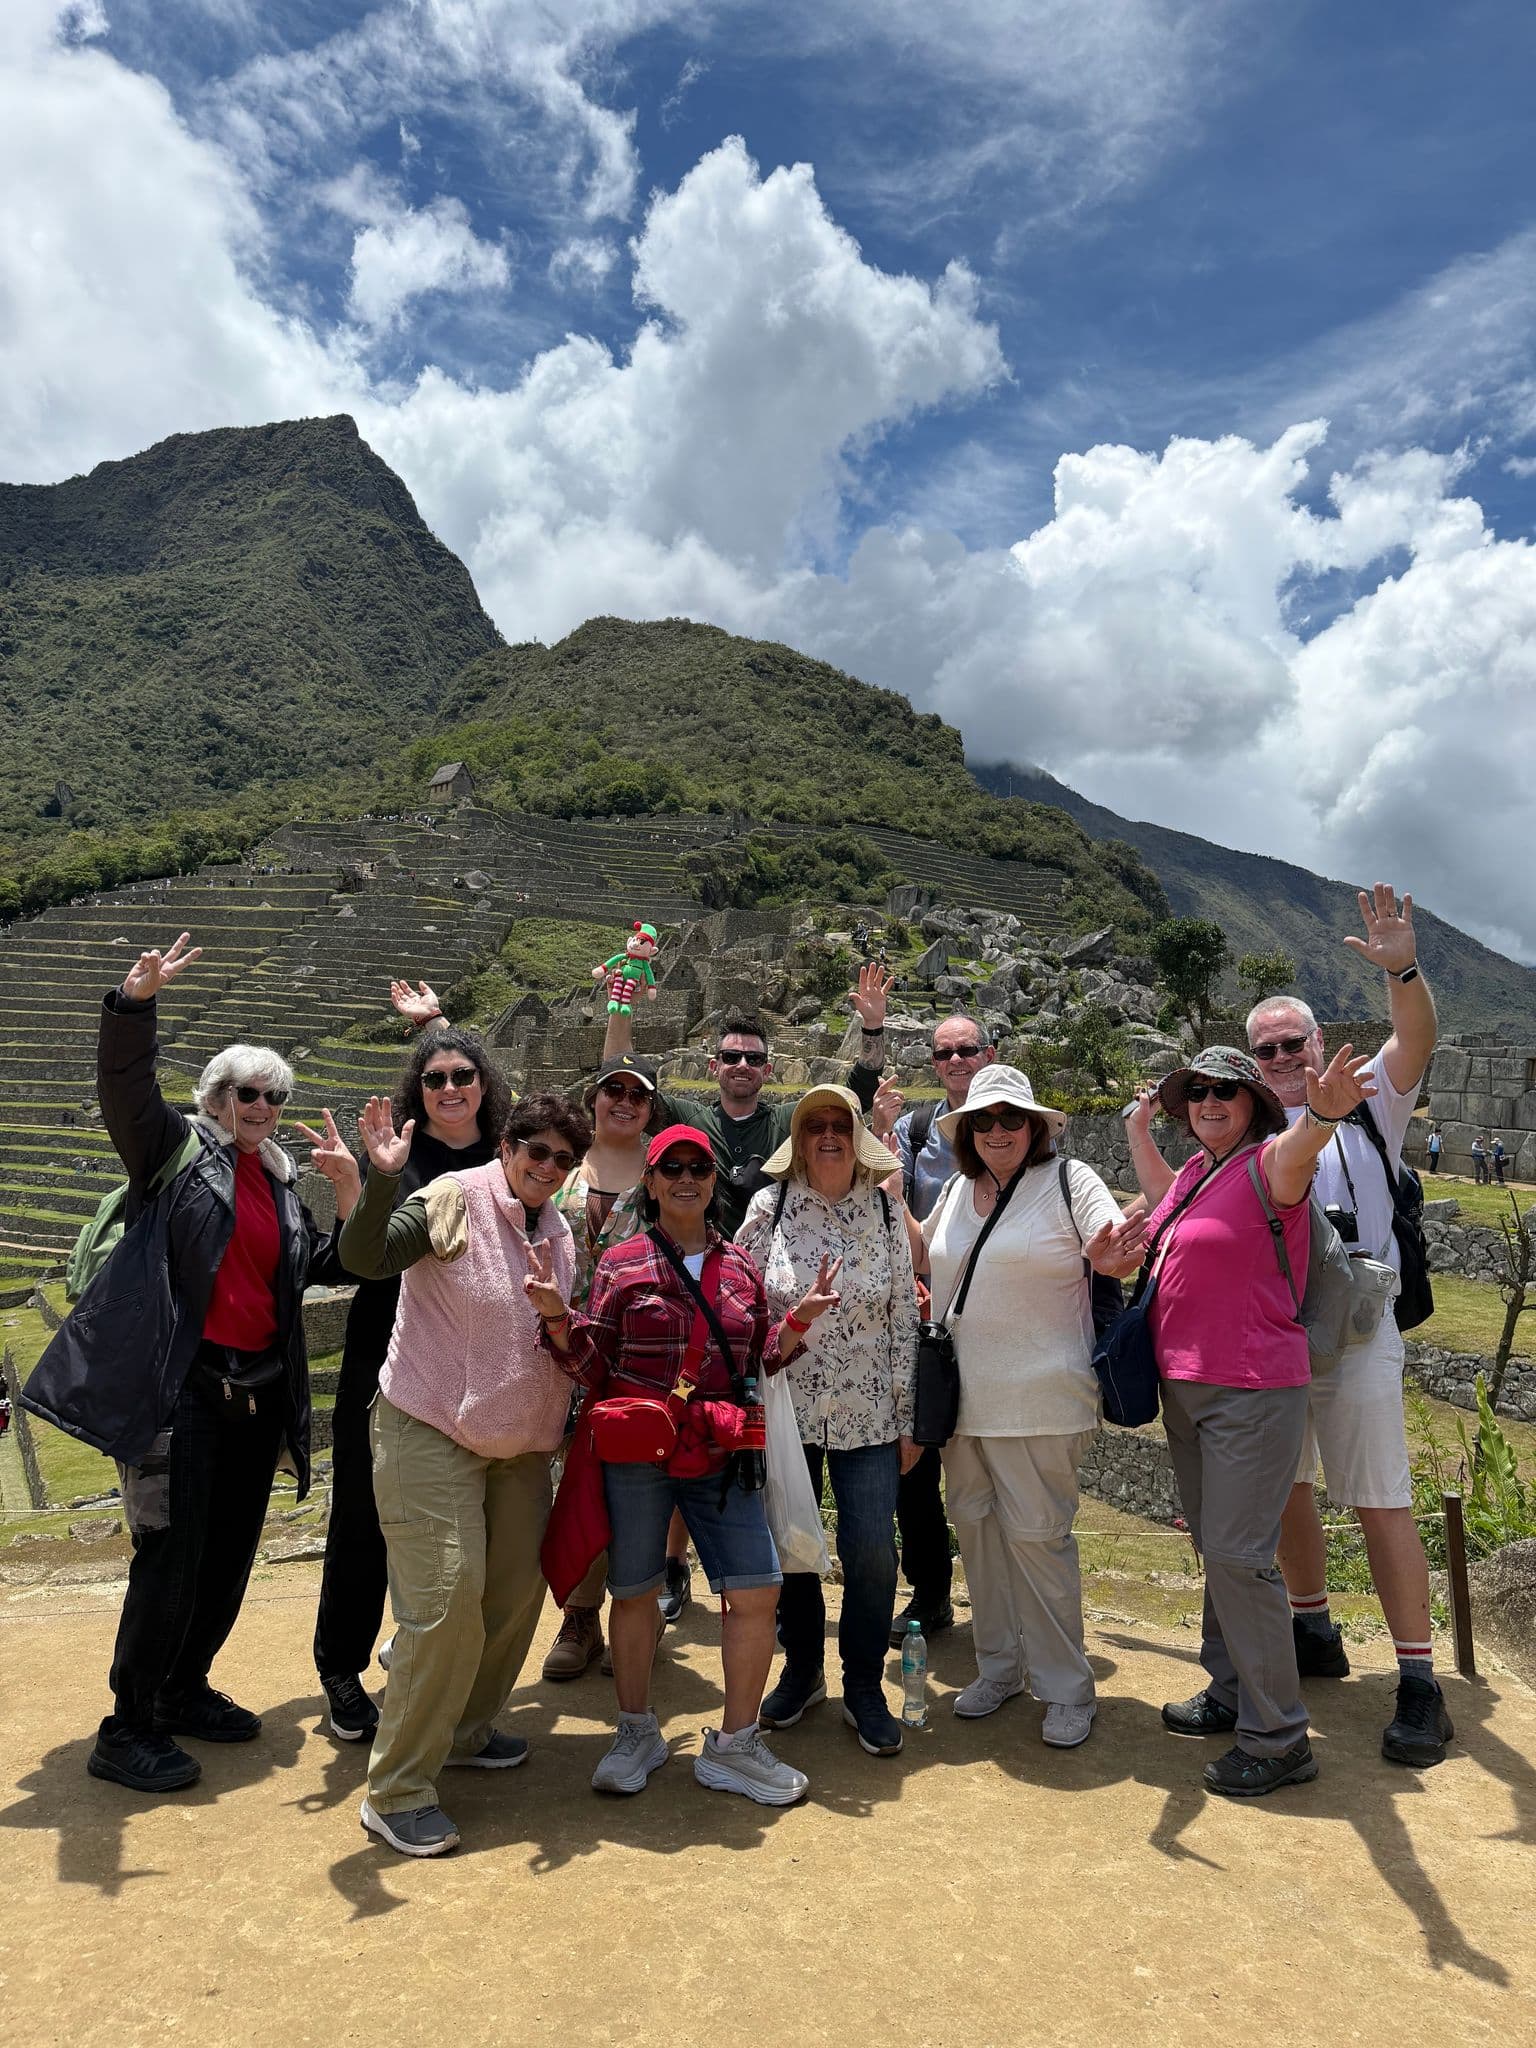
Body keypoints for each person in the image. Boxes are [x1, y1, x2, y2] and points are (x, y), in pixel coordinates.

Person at [1127, 886, 1451, 1769]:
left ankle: (1418, 1679)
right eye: (1262, 1047)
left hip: (1347, 1333)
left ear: (1315, 1044)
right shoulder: (1228, 1148)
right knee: (1283, 1496)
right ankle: (1310, 1633)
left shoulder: (1360, 1101)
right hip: (1264, 1345)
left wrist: (1402, 971)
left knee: (1378, 1494)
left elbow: (1415, 1042)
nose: (1276, 1057)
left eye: (1289, 1044)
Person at [23, 933, 349, 1795]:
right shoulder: (175, 1158)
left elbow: (326, 1263)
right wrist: (135, 1008)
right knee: (169, 1556)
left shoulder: (277, 1185)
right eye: (247, 1092)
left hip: (256, 1394)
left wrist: (367, 1191)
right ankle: (125, 1725)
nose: (263, 1106)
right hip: (185, 1391)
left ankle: (181, 1688)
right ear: (214, 1097)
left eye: (274, 1096)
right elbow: (126, 1094)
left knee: (229, 1554)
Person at [528, 1125, 842, 1806]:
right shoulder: (623, 1262)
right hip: (639, 1450)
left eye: (698, 1166)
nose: (686, 1178)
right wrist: (557, 1320)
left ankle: (736, 1743)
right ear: (650, 1179)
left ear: (713, 1179)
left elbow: (755, 1366)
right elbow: (594, 1366)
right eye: (671, 1167)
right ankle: (636, 1729)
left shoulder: (740, 1271)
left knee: (756, 1589)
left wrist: (798, 1325)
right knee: (636, 1588)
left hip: (718, 1451)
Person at [339, 1089, 591, 1858]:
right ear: (507, 1145)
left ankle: (467, 1729)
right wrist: (382, 1180)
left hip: (517, 1443)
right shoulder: (452, 1198)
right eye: (536, 1149)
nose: (547, 1166)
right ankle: (399, 1789)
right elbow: (368, 1257)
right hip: (430, 1425)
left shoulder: (558, 1230)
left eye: (562, 1158)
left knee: (513, 1594)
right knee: (446, 1602)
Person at [1143, 1043, 1386, 1793]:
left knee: (1242, 1557)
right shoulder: (1194, 1174)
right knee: (1219, 1550)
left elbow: (1301, 1149)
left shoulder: (1269, 1166)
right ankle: (1229, 1690)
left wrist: (1322, 1115)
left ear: (1254, 1106)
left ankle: (1280, 1735)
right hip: (1186, 1389)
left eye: (1227, 1091)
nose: (1210, 1102)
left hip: (1249, 1389)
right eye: (1198, 1092)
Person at [921, 1068, 1146, 1748]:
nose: (996, 1131)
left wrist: (1107, 1258)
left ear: (1036, 1128)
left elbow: (1112, 1245)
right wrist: (872, 1180)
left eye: (1010, 1120)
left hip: (1041, 1399)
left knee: (1038, 1542)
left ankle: (1066, 1687)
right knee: (979, 1536)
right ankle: (1000, 1666)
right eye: (982, 1122)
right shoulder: (959, 1190)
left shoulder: (1069, 1182)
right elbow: (925, 1253)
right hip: (965, 1402)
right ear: (965, 1133)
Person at [309, 991, 511, 1743]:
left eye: (464, 1076)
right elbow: (354, 1258)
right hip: (385, 1355)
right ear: (415, 1092)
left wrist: (435, 1025)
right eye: (435, 1080)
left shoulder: (504, 1155)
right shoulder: (393, 1154)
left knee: (467, 1521)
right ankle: (340, 1667)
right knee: (364, 1515)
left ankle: (423, 1656)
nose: (451, 1088)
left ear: (484, 1087)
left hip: (474, 1362)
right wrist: (354, 1184)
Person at [738, 1086, 920, 1756]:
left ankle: (864, 1683)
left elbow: (905, 1313)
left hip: (870, 1412)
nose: (827, 1136)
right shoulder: (771, 1206)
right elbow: (739, 1298)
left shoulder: (883, 1210)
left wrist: (908, 1418)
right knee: (793, 1545)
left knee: (870, 1550)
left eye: (838, 1124)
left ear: (855, 1135)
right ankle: (804, 1669)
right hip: (788, 1408)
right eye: (812, 1126)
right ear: (800, 1139)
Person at [542, 1052, 680, 1680]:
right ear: (593, 1098)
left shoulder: (664, 1168)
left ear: (651, 1108)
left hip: (634, 1354)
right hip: (556, 1346)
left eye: (637, 1095)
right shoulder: (562, 1161)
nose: (623, 1101)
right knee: (565, 1487)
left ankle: (637, 1611)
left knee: (632, 1483)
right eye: (612, 1090)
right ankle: (580, 1614)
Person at [870, 1013, 999, 1642]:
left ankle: (1001, 1597)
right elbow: (888, 1205)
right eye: (944, 1053)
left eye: (966, 1051)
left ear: (989, 1054)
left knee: (988, 1465)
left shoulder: (1011, 1128)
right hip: (924, 1319)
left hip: (994, 1316)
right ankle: (930, 1592)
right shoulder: (915, 1131)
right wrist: (879, 1131)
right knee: (915, 1468)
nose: (955, 1062)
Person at [603, 965, 894, 1236]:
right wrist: (622, 1008)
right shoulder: (691, 1121)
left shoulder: (785, 1122)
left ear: (766, 1070)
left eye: (753, 1059)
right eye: (731, 1057)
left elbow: (855, 1095)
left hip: (772, 1273)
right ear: (714, 1066)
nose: (742, 1064)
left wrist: (872, 1025)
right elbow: (623, 1077)